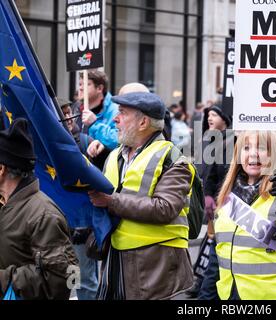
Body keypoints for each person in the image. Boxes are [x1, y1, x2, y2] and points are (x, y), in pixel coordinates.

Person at [88, 90, 195, 300]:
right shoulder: (115, 155)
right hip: (116, 258)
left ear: (143, 122)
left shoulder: (172, 158)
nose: (115, 119)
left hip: (155, 265)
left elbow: (165, 208)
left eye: (122, 113)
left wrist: (110, 202)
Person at [198, 131, 276, 300]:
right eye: (246, 147)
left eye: (262, 147)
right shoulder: (227, 192)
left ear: (274, 153)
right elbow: (218, 255)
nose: (253, 153)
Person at [0, 119, 78, 300]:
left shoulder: (43, 214)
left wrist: (4, 279)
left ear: (1, 169)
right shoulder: (6, 202)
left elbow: (64, 280)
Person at [186, 104, 234, 298]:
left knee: (213, 241)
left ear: (225, 117)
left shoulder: (232, 140)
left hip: (221, 199)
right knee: (210, 241)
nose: (210, 118)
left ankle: (203, 283)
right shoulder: (206, 138)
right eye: (208, 115)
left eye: (214, 114)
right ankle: (202, 281)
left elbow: (223, 172)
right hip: (205, 196)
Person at [59, 100, 99, 300]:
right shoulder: (48, 144)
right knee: (70, 278)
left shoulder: (85, 141)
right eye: (62, 113)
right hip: (60, 225)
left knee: (87, 281)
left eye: (69, 113)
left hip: (82, 225)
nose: (67, 117)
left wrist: (96, 151)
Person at [72, 69, 119, 162]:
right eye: (80, 84)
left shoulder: (115, 110)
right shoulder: (75, 108)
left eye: (86, 84)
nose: (81, 88)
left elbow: (118, 141)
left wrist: (94, 124)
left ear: (99, 88)